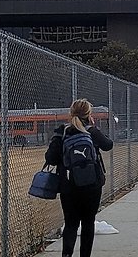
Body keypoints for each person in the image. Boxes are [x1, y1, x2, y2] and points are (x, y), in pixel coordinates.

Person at [45, 99, 113, 257]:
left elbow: (51, 159)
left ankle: (67, 255)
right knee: (88, 223)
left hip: (68, 185)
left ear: (70, 113)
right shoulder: (92, 131)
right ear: (89, 115)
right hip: (92, 184)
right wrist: (93, 128)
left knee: (70, 224)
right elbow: (108, 145)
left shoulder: (62, 131)